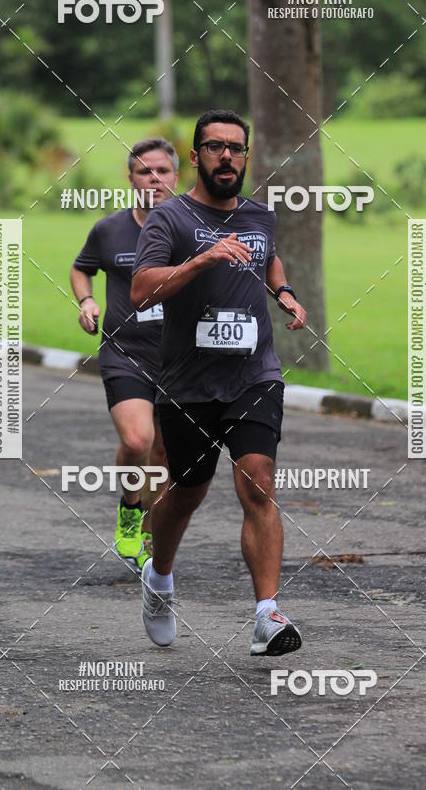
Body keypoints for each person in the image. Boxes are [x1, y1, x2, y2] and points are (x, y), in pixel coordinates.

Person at [131, 109, 307, 655]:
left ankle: (266, 616)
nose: (226, 157)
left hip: (254, 373)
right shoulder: (171, 219)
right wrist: (200, 262)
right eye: (215, 147)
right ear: (196, 155)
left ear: (246, 156)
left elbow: (267, 258)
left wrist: (283, 293)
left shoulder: (260, 215)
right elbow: (140, 290)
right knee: (187, 493)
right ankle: (159, 578)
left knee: (257, 478)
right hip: (188, 383)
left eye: (236, 148)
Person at [70, 137, 178, 572]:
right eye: (143, 172)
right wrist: (86, 301)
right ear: (130, 178)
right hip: (124, 351)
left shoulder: (191, 227)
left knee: (166, 455)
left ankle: (152, 539)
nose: (153, 179)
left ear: (176, 176)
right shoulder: (109, 229)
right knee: (138, 440)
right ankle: (130, 509)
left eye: (162, 171)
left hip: (180, 357)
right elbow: (82, 268)